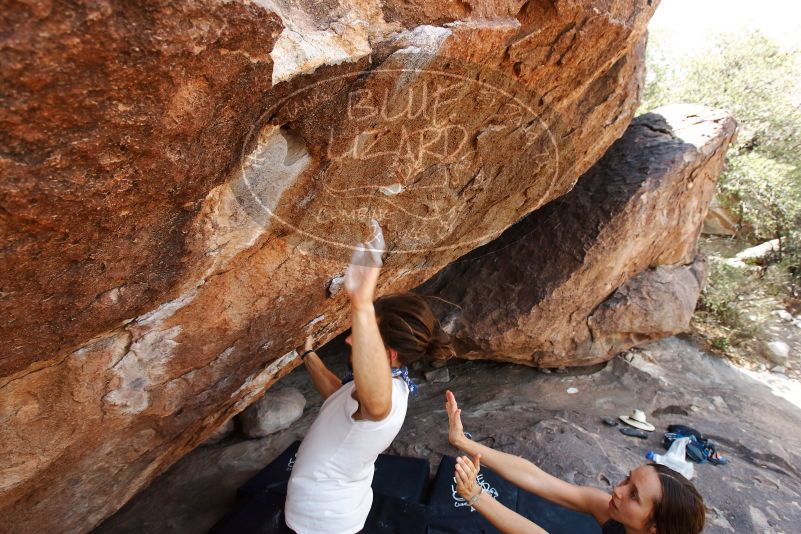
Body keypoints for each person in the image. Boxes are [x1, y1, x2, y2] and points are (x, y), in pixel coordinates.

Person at [284, 220, 454, 534]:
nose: (350, 340)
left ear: (387, 355)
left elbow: (375, 405)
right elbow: (341, 395)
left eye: (362, 337)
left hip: (319, 522)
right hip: (344, 506)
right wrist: (308, 355)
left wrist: (362, 303)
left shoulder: (381, 401)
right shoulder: (394, 383)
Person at [445, 390, 705, 534]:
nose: (618, 490)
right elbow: (539, 479)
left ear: (655, 528)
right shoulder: (616, 514)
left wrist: (476, 495)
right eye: (628, 480)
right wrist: (464, 442)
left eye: (634, 495)